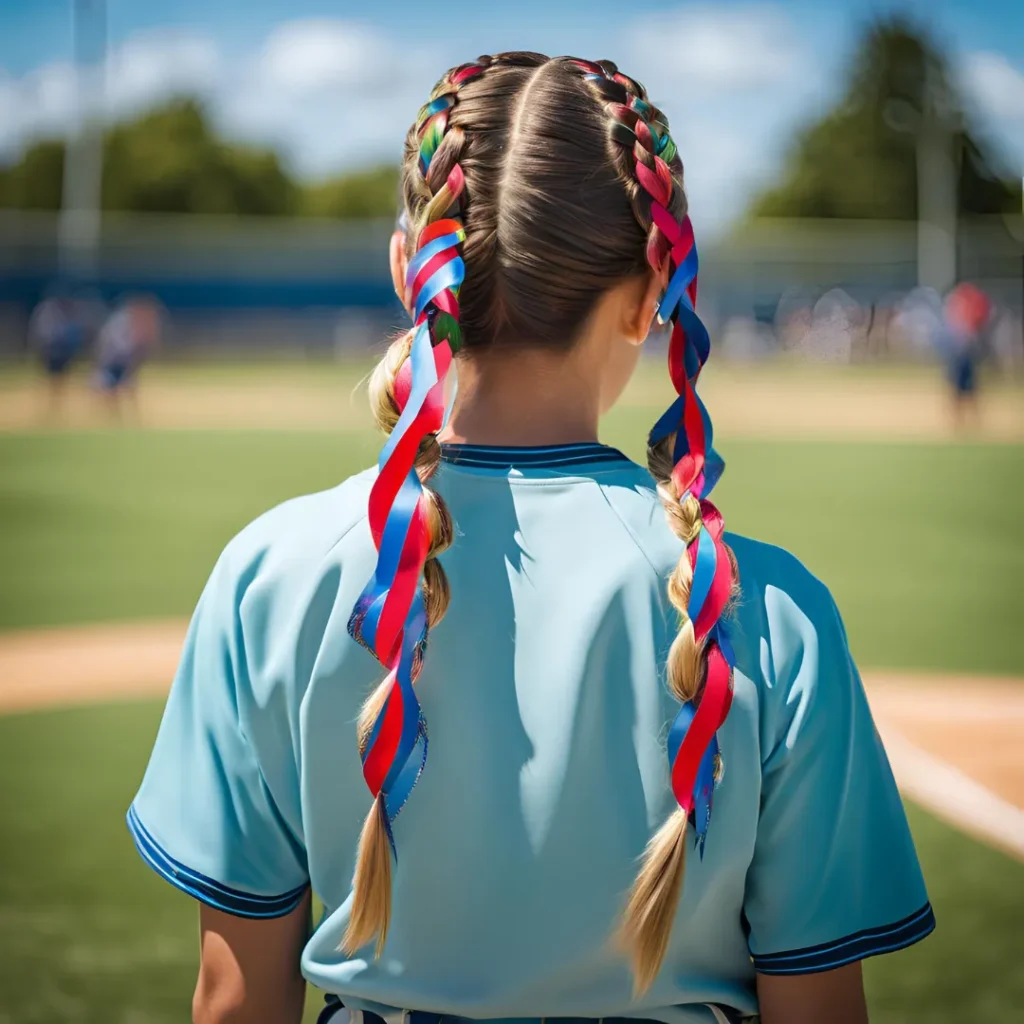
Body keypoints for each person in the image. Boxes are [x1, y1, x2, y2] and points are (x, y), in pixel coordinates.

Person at [127, 54, 933, 1024]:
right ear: (652, 294)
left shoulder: (268, 575)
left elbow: (235, 999)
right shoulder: (772, 613)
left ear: (406, 271)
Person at [93, 296, 161, 415]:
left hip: (123, 361)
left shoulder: (129, 321)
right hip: (113, 361)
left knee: (127, 387)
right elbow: (119, 345)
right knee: (111, 389)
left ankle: (127, 415)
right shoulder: (119, 323)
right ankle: (114, 414)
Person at [28, 288, 89, 414]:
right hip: (50, 349)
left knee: (60, 377)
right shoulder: (47, 312)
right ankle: (50, 402)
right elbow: (42, 333)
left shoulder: (65, 312)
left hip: (61, 350)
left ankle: (56, 402)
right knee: (52, 376)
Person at [941, 282, 990, 429]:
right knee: (963, 387)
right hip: (962, 349)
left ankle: (964, 421)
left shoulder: (957, 301)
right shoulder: (963, 300)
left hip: (963, 350)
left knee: (963, 387)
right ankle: (962, 421)